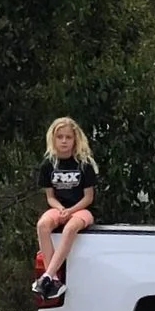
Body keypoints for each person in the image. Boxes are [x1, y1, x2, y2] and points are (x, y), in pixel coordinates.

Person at [33, 117, 99, 299]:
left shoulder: (84, 164)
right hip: (59, 206)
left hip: (81, 208)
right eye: (60, 137)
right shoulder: (48, 165)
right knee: (42, 225)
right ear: (53, 139)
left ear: (75, 140)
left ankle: (47, 275)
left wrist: (70, 211)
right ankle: (53, 278)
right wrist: (61, 209)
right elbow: (50, 197)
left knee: (70, 228)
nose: (64, 141)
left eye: (68, 137)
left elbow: (88, 198)